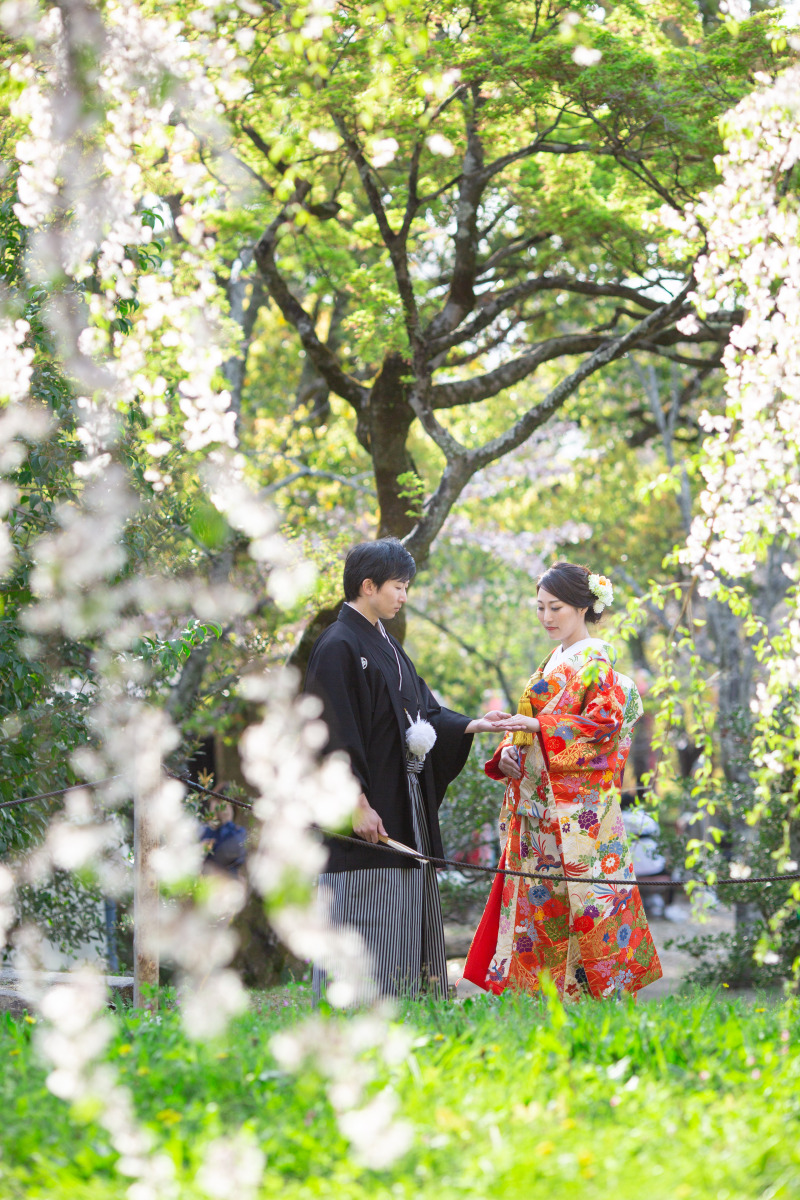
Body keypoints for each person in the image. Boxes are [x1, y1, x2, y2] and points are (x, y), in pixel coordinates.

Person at [305, 537, 508, 1003]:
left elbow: (425, 713)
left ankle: (412, 999)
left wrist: (476, 723)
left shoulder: (386, 645)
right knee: (365, 898)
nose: (403, 596)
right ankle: (356, 1004)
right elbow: (329, 730)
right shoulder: (337, 645)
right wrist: (354, 802)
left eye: (407, 587)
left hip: (404, 800)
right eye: (398, 586)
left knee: (404, 895)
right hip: (365, 805)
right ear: (368, 584)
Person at [462, 562, 663, 1002]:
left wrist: (539, 731)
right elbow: (531, 727)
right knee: (540, 906)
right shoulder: (554, 661)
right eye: (540, 607)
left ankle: (585, 1000)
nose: (547, 617)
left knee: (578, 903)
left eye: (556, 607)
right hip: (537, 811)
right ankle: (538, 997)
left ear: (584, 606)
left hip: (574, 817)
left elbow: (603, 731)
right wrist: (510, 754)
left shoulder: (596, 663)